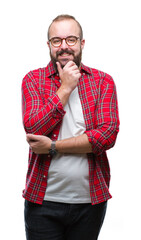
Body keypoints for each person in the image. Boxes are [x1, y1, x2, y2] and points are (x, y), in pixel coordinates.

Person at [22, 14, 120, 240]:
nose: (64, 46)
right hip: (42, 202)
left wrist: (53, 146)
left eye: (71, 40)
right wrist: (65, 88)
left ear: (82, 43)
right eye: (56, 40)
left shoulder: (102, 81)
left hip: (90, 202)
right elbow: (34, 129)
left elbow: (106, 136)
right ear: (49, 45)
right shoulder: (33, 80)